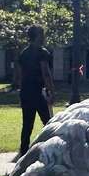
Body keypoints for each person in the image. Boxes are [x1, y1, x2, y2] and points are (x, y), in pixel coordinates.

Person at [14, 24, 55, 156]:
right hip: (38, 92)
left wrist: (21, 91)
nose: (43, 37)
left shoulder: (24, 53)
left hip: (26, 92)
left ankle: (23, 152)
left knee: (27, 124)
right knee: (48, 122)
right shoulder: (42, 53)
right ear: (37, 36)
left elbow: (20, 75)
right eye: (41, 34)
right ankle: (51, 149)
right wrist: (51, 90)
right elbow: (46, 73)